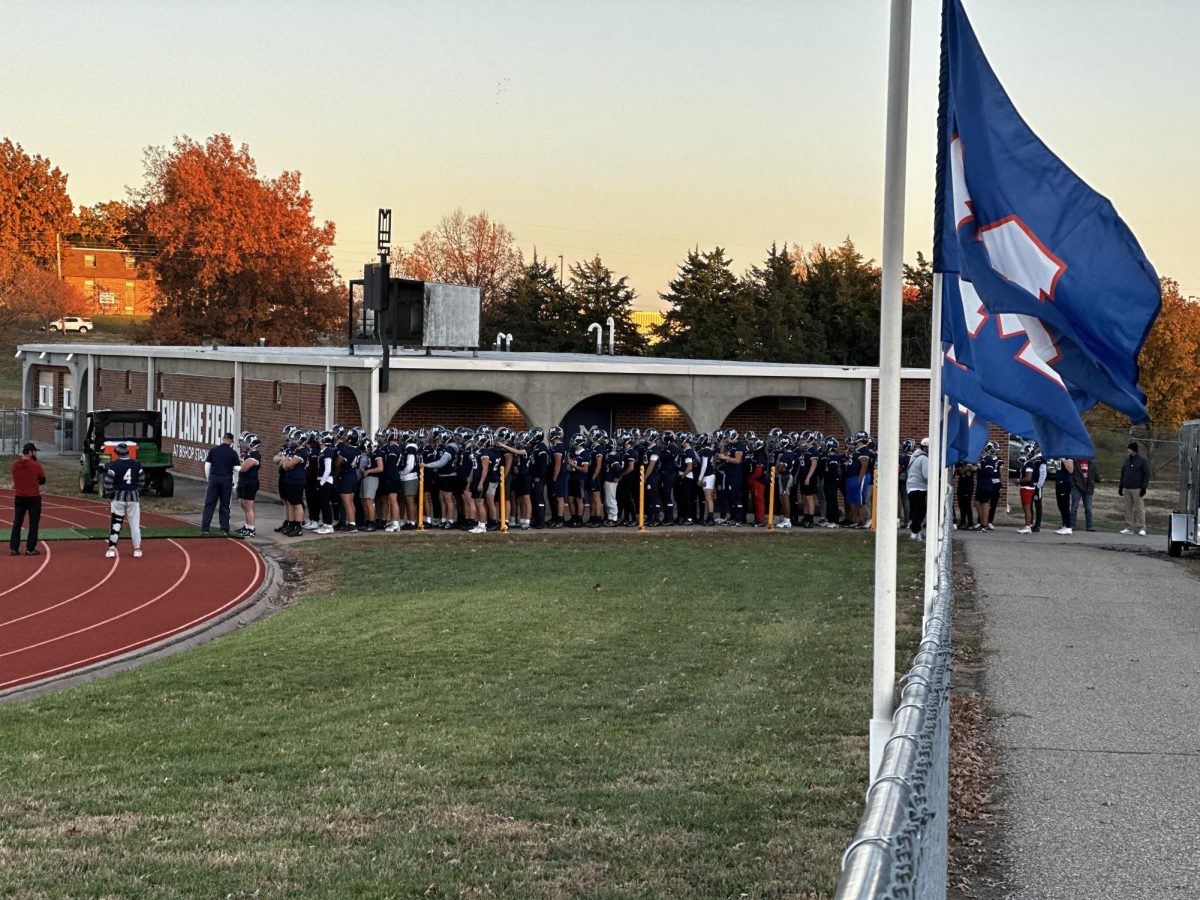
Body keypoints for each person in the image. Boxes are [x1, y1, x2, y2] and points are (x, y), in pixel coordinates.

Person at [103, 442, 146, 558]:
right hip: (133, 498)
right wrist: (136, 491)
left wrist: (109, 494)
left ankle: (111, 549)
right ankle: (137, 549)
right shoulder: (137, 464)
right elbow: (142, 480)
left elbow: (108, 482)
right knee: (135, 525)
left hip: (118, 498)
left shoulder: (114, 465)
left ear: (117, 454)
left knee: (116, 524)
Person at [9, 442, 45, 556]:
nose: (35, 453)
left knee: (17, 523)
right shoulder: (36, 466)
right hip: (33, 497)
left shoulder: (15, 465)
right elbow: (42, 479)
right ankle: (30, 548)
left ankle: (14, 548)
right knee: (33, 524)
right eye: (34, 451)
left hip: (19, 497)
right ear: (30, 452)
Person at [201, 432, 240, 536]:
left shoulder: (214, 450)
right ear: (231, 442)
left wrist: (209, 478)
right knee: (225, 505)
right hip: (226, 480)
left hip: (214, 478)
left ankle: (205, 528)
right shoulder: (233, 453)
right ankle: (224, 529)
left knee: (209, 504)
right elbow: (236, 468)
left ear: (223, 439)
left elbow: (207, 466)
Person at [1118, 441, 1150, 535]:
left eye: (1129, 449)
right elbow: (1123, 473)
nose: (1128, 450)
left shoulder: (1142, 461)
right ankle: (1129, 527)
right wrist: (1121, 487)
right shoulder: (1127, 461)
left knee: (1139, 508)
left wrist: (1144, 487)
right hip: (1127, 488)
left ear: (1134, 450)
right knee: (1128, 508)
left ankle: (1142, 527)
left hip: (1137, 488)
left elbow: (1146, 474)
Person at [237, 433, 262, 537]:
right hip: (243, 481)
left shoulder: (255, 455)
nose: (244, 444)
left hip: (250, 482)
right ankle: (247, 526)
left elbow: (243, 468)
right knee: (243, 504)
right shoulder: (247, 453)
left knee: (248, 506)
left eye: (246, 442)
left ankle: (251, 529)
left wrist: (235, 465)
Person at [906, 438, 930, 541]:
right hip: (920, 488)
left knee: (915, 510)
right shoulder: (924, 459)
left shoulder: (914, 456)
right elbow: (926, 475)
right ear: (925, 447)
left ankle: (915, 531)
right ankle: (915, 532)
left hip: (911, 487)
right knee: (920, 512)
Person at [1070, 456, 1100, 532]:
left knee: (1088, 508)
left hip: (1088, 487)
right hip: (1077, 487)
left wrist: (1098, 479)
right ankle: (1072, 525)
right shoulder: (1075, 462)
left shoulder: (1092, 463)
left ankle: (1089, 526)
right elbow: (1071, 473)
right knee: (1074, 507)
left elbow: (1096, 475)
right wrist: (1073, 484)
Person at [1053, 457, 1075, 535]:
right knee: (1060, 505)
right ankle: (1065, 525)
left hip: (1064, 482)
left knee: (1064, 504)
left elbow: (1071, 470)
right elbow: (1058, 468)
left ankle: (1068, 527)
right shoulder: (1058, 455)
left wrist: (1064, 460)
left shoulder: (1068, 456)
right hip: (1058, 481)